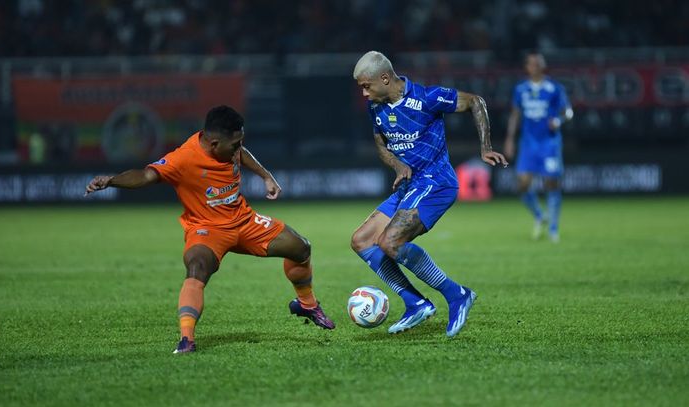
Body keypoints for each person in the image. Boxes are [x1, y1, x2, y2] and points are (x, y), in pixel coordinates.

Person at [85, 105, 335, 354]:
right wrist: (111, 180)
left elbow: (242, 153)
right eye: (235, 145)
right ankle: (186, 340)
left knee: (300, 248)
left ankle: (307, 305)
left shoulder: (229, 146)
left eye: (240, 142)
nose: (238, 149)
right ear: (214, 144)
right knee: (197, 268)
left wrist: (265, 175)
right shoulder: (184, 158)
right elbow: (145, 176)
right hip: (207, 229)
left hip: (244, 221)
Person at [350, 51, 507, 337]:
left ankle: (457, 294)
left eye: (366, 85)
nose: (363, 93)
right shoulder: (377, 107)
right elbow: (381, 144)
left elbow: (475, 101)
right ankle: (416, 303)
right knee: (361, 241)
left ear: (385, 78)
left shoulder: (427, 98)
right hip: (410, 186)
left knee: (390, 242)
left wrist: (485, 147)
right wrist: (397, 165)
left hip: (436, 183)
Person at [504, 52, 573, 243]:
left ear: (543, 66)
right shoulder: (521, 89)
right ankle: (539, 215)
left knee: (551, 183)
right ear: (527, 67)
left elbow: (568, 111)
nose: (535, 66)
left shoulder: (554, 88)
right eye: (531, 63)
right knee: (523, 185)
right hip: (528, 144)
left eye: (538, 63)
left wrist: (558, 120)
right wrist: (509, 139)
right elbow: (515, 115)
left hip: (549, 143)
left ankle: (553, 228)